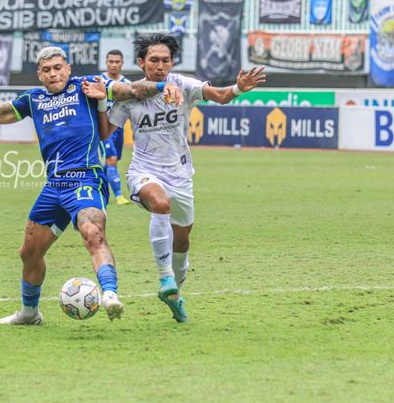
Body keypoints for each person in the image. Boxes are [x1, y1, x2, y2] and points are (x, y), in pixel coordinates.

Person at [0, 47, 181, 325]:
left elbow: (132, 90)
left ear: (68, 68)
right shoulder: (32, 99)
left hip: (86, 178)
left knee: (93, 232)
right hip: (55, 185)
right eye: (47, 70)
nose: (53, 73)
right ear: (39, 75)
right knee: (29, 253)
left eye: (58, 67)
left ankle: (110, 294)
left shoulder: (87, 85)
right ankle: (30, 313)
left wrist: (165, 85)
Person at [84, 33, 265, 322]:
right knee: (160, 204)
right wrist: (103, 102)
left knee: (182, 242)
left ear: (172, 62)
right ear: (142, 62)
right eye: (153, 60)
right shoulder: (130, 93)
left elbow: (219, 96)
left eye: (165, 60)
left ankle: (175, 293)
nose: (160, 66)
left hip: (180, 175)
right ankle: (165, 277)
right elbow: (106, 132)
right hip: (144, 171)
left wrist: (238, 88)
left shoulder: (183, 84)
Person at [99, 49, 130, 205]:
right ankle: (118, 196)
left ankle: (101, 191)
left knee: (111, 162)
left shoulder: (127, 84)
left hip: (119, 129)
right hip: (104, 129)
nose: (114, 64)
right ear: (106, 63)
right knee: (110, 159)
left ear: (122, 64)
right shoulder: (99, 81)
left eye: (117, 62)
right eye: (111, 61)